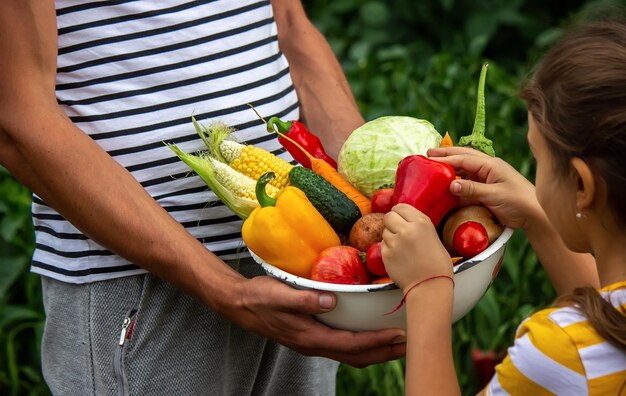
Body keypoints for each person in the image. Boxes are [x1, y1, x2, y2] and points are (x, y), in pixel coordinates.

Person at [0, 1, 406, 395]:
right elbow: (17, 116)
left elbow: (290, 25)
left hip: (304, 259)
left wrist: (373, 205)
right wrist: (228, 290)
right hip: (139, 281)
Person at [381, 15, 626, 395]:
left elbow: (589, 348)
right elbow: (610, 319)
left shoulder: (559, 353)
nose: (533, 176)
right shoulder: (600, 341)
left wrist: (427, 288)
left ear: (581, 184)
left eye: (537, 159)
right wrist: (538, 214)